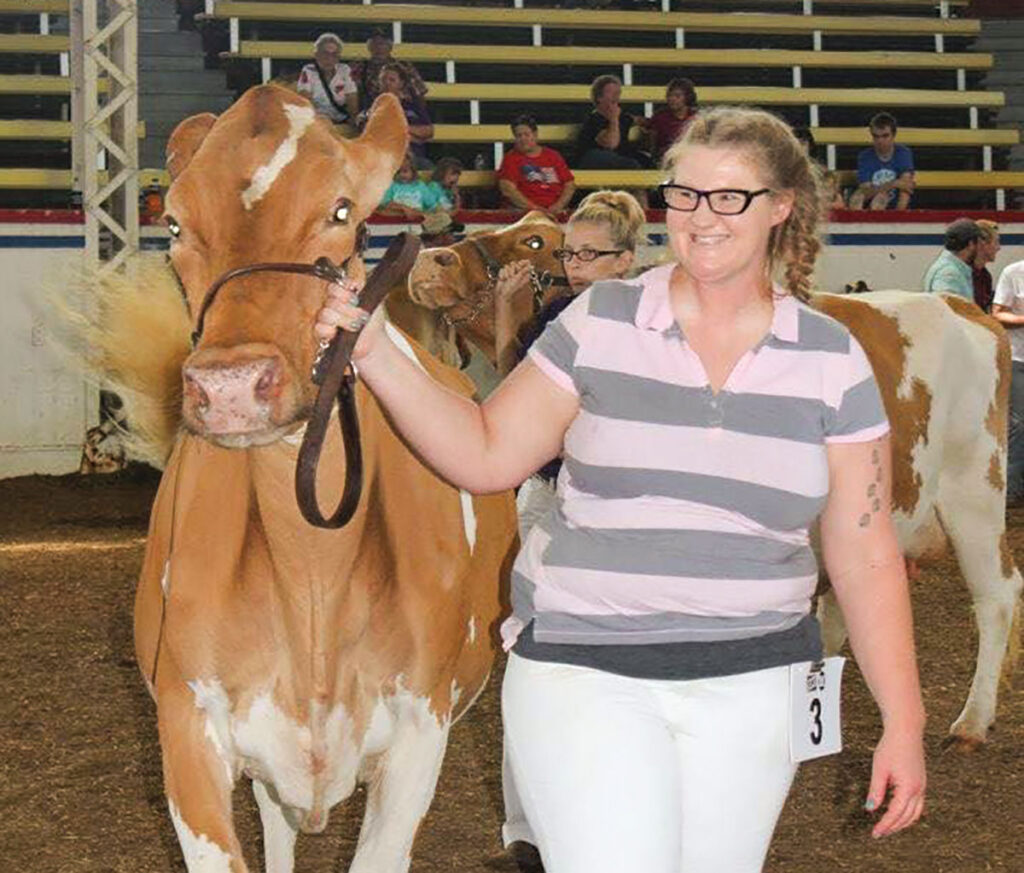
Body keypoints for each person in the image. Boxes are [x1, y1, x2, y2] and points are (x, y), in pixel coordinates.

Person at [316, 105, 926, 873]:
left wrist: (903, 718)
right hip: (587, 667)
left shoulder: (830, 358)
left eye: (729, 197)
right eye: (686, 194)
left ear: (780, 209)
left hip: (757, 681)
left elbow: (865, 550)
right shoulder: (601, 320)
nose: (702, 217)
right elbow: (486, 452)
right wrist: (373, 349)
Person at [497, 113, 577, 216]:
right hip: (525, 215)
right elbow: (507, 189)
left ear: (535, 135)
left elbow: (569, 185)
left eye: (526, 134)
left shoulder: (553, 156)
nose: (522, 139)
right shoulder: (511, 158)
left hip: (556, 212)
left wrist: (558, 206)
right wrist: (535, 209)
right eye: (518, 135)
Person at [992, 258, 1024, 503]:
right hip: (1018, 358)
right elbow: (997, 313)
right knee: (1019, 423)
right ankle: (1011, 486)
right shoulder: (1014, 273)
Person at [575, 74, 648, 170]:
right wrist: (614, 119)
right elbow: (611, 144)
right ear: (599, 97)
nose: (616, 96)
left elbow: (641, 121)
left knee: (646, 161)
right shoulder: (593, 120)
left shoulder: (624, 117)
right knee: (630, 164)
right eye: (611, 92)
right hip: (594, 159)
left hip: (618, 158)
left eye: (618, 93)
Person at [848, 112, 915, 210]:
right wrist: (893, 184)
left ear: (893, 135)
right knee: (861, 198)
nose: (880, 141)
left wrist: (898, 218)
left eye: (885, 136)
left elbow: (905, 189)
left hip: (895, 207)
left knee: (880, 198)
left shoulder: (903, 153)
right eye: (876, 136)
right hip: (872, 207)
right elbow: (865, 192)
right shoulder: (865, 156)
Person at [352, 28, 428, 112]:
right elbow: (350, 92)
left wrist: (420, 115)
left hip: (402, 111)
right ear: (369, 47)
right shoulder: (360, 67)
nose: (378, 47)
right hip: (372, 112)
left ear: (390, 46)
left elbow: (419, 93)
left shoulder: (404, 66)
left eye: (382, 43)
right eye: (374, 43)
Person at [375, 61, 434, 169]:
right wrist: (414, 136)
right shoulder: (373, 105)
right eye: (383, 79)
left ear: (401, 83)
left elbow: (429, 131)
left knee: (432, 170)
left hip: (415, 158)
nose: (387, 83)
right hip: (385, 158)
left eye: (392, 80)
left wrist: (402, 128)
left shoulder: (413, 105)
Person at [296, 33, 359, 128]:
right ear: (316, 55)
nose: (329, 58)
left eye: (334, 54)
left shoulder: (345, 70)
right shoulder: (308, 71)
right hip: (318, 123)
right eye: (325, 53)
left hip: (341, 122)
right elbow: (305, 100)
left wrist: (353, 120)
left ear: (339, 57)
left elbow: (352, 99)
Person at [636, 77, 698, 163]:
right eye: (669, 95)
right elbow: (653, 146)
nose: (672, 99)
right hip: (667, 159)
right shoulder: (660, 117)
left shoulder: (696, 117)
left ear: (687, 97)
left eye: (677, 96)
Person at [922, 217, 981, 299]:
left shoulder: (951, 267)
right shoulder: (949, 274)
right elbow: (947, 307)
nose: (980, 248)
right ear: (971, 244)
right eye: (979, 243)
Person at [378, 151, 440, 220]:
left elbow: (432, 205)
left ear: (413, 171)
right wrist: (404, 208)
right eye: (398, 172)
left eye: (405, 171)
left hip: (418, 220)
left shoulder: (420, 186)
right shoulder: (392, 185)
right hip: (396, 219)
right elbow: (385, 204)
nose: (401, 175)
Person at [972, 219, 1000, 312]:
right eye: (996, 242)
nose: (998, 248)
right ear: (982, 243)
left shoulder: (985, 276)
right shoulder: (963, 275)